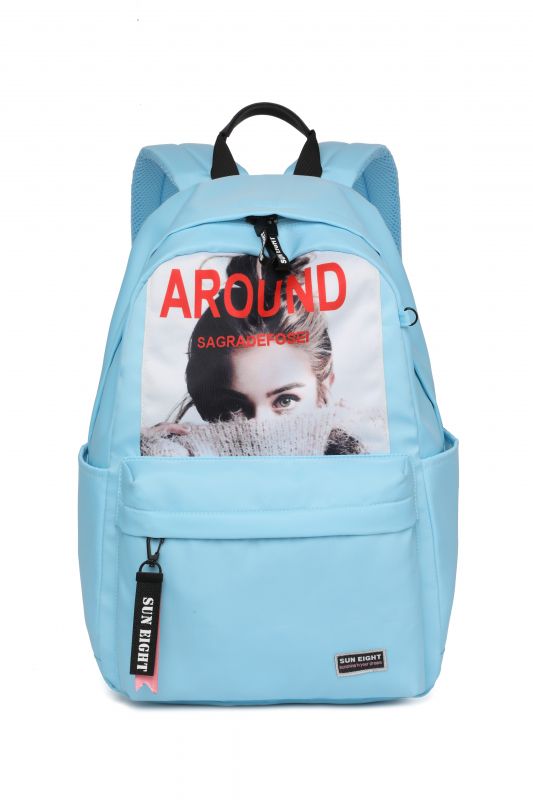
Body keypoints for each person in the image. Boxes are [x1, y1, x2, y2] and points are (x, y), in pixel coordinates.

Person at [141, 255, 365, 456]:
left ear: (324, 388)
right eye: (234, 408)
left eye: (285, 400)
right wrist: (154, 465)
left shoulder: (357, 458)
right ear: (205, 407)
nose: (260, 430)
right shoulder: (183, 460)